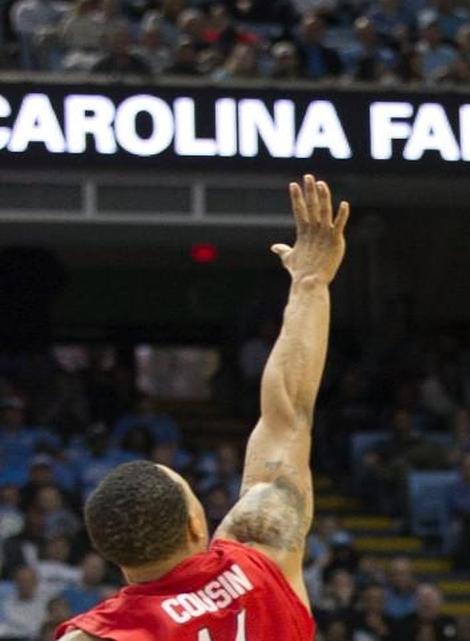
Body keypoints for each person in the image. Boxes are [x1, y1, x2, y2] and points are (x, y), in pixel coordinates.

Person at [53, 174, 350, 641]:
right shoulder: (263, 549)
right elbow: (289, 411)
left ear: (114, 553)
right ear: (196, 522)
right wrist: (311, 284)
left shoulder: (97, 635)